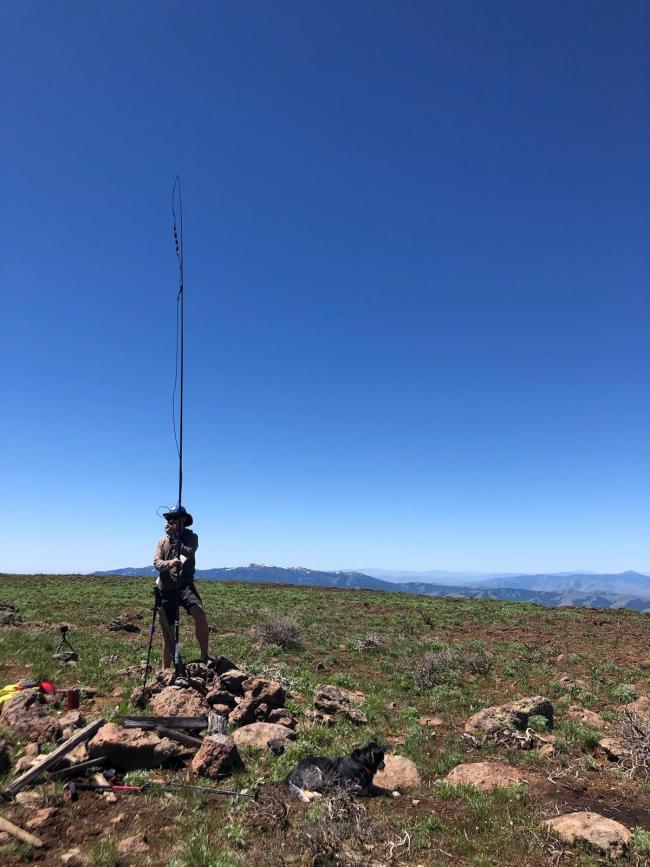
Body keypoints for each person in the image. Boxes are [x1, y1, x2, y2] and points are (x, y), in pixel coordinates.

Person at [153, 506, 210, 667]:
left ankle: (205, 656)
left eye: (174, 518)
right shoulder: (162, 542)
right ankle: (166, 669)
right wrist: (170, 563)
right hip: (166, 587)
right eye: (169, 519)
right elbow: (156, 562)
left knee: (199, 612)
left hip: (185, 585)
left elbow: (188, 552)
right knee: (168, 632)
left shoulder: (191, 537)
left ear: (183, 519)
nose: (171, 521)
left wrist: (176, 538)